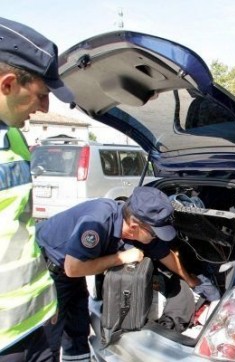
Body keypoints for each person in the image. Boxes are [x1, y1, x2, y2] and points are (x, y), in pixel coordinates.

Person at [36, 186, 219, 362]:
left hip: (70, 272)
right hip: (45, 270)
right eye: (155, 234)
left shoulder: (139, 229)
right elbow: (73, 268)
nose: (156, 237)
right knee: (48, 339)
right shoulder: (98, 221)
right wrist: (121, 257)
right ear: (133, 227)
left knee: (77, 329)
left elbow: (164, 253)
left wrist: (190, 279)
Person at [0, 17, 74, 362]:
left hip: (37, 324)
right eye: (42, 96)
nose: (45, 109)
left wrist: (48, 304)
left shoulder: (14, 140)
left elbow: (22, 234)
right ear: (8, 84)